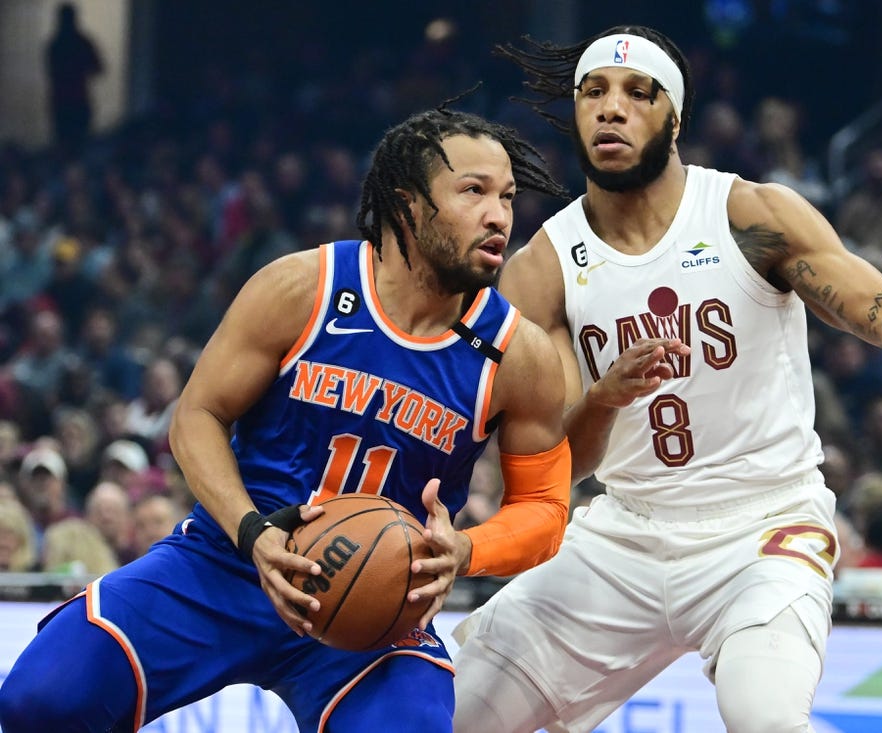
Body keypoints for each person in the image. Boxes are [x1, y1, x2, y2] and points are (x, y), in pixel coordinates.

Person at [452, 24, 882, 733]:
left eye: (638, 93)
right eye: (594, 92)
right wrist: (605, 400)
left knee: (762, 715)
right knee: (446, 710)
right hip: (625, 534)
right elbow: (556, 473)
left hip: (765, 524)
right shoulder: (542, 268)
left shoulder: (749, 216)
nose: (612, 108)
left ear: (675, 118)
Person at [0, 107, 572, 732]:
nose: (500, 216)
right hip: (228, 562)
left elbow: (546, 509)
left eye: (509, 197)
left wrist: (465, 549)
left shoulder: (518, 355)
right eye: (474, 191)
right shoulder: (305, 288)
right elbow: (197, 416)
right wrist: (252, 532)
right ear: (408, 205)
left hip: (375, 606)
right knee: (41, 699)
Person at [43, 3, 104, 156]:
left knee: (70, 147)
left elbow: (98, 68)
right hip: (73, 101)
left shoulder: (56, 45)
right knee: (74, 147)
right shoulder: (79, 43)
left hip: (68, 101)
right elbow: (98, 68)